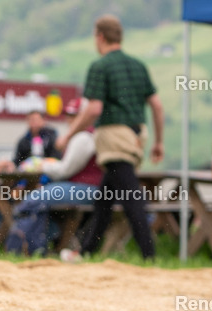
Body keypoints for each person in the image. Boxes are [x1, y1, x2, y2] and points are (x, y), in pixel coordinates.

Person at [58, 15, 164, 262]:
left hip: (114, 138)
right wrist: (159, 142)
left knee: (132, 199)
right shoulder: (138, 66)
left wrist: (69, 134)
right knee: (104, 200)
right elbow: (157, 106)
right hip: (137, 135)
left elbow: (94, 108)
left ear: (100, 37)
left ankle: (149, 256)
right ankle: (86, 251)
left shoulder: (101, 66)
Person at [6, 99, 103, 255]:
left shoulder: (83, 137)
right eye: (68, 115)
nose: (69, 119)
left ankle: (24, 243)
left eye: (74, 115)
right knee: (39, 199)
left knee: (33, 199)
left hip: (85, 188)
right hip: (88, 188)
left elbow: (65, 170)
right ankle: (39, 243)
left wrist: (42, 165)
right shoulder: (85, 135)